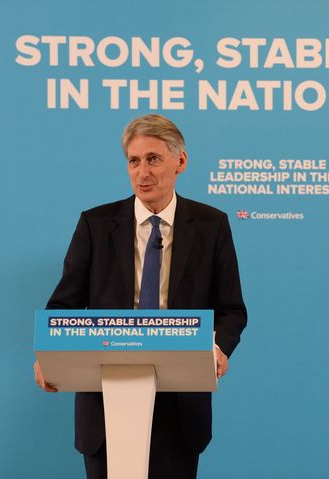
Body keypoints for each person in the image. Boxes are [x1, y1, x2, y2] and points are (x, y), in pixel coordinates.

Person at [33, 114, 247, 479]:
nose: (142, 172)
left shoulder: (211, 225)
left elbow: (231, 309)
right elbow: (62, 306)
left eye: (153, 159)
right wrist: (49, 356)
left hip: (178, 405)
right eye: (134, 161)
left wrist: (218, 347)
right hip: (105, 403)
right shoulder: (96, 225)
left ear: (180, 162)